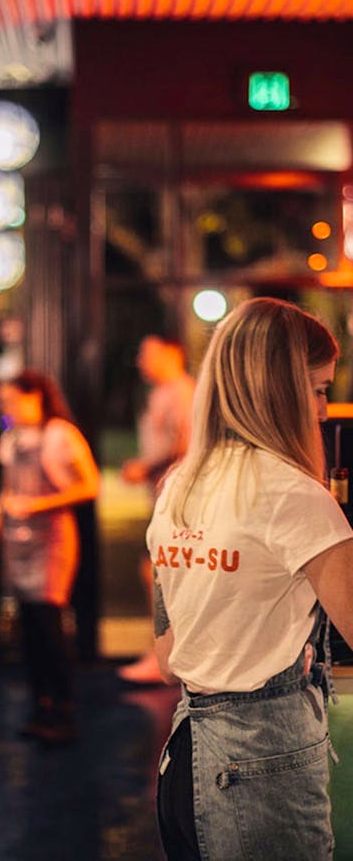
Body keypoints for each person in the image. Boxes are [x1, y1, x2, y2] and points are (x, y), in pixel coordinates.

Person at [147, 297, 353, 861]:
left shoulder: (179, 486)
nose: (323, 410)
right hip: (264, 762)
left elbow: (167, 659)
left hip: (186, 758)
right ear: (279, 390)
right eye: (317, 390)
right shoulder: (294, 495)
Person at [0, 369, 100, 744]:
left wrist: (38, 504)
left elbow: (90, 485)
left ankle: (63, 710)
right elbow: (8, 488)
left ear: (35, 396)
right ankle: (40, 707)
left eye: (12, 400)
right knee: (28, 624)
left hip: (51, 540)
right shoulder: (11, 439)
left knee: (49, 623)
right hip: (17, 541)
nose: (8, 408)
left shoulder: (60, 435)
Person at [119, 336, 195, 684]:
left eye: (147, 353)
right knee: (157, 570)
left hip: (179, 497)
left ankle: (167, 655)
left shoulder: (182, 392)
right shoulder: (163, 393)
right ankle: (166, 652)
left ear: (171, 352)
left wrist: (144, 467)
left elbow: (185, 445)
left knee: (159, 571)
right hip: (165, 496)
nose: (140, 360)